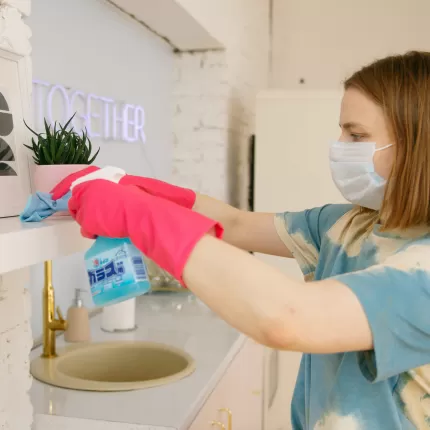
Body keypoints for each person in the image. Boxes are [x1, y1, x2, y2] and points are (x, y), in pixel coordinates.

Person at [51, 51, 430, 429]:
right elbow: (235, 224)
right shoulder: (345, 224)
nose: (339, 145)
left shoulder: (422, 269)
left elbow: (287, 318)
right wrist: (140, 189)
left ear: (416, 144)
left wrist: (138, 215)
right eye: (342, 131)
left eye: (356, 135)